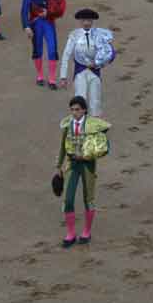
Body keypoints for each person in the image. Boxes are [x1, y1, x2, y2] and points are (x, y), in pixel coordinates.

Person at [56, 96, 111, 248]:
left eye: (77, 109)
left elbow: (101, 144)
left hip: (88, 164)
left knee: (88, 199)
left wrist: (90, 154)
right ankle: (71, 233)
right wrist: (58, 166)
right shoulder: (68, 124)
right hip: (72, 164)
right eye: (72, 110)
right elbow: (62, 146)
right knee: (68, 199)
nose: (74, 113)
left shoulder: (93, 124)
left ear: (84, 110)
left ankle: (86, 232)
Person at [59, 9, 116, 117]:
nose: (86, 23)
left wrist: (99, 63)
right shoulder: (74, 35)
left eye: (89, 20)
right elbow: (66, 55)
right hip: (80, 71)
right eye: (84, 20)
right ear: (80, 21)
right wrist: (63, 77)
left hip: (95, 71)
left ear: (92, 21)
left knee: (95, 99)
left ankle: (95, 126)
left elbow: (109, 53)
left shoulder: (100, 35)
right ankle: (80, 125)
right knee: (80, 98)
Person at [21, 0, 67, 89]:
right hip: (36, 23)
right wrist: (26, 26)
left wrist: (50, 13)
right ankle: (40, 76)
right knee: (37, 49)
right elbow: (24, 10)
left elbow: (60, 6)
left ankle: (52, 79)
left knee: (52, 48)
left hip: (48, 22)